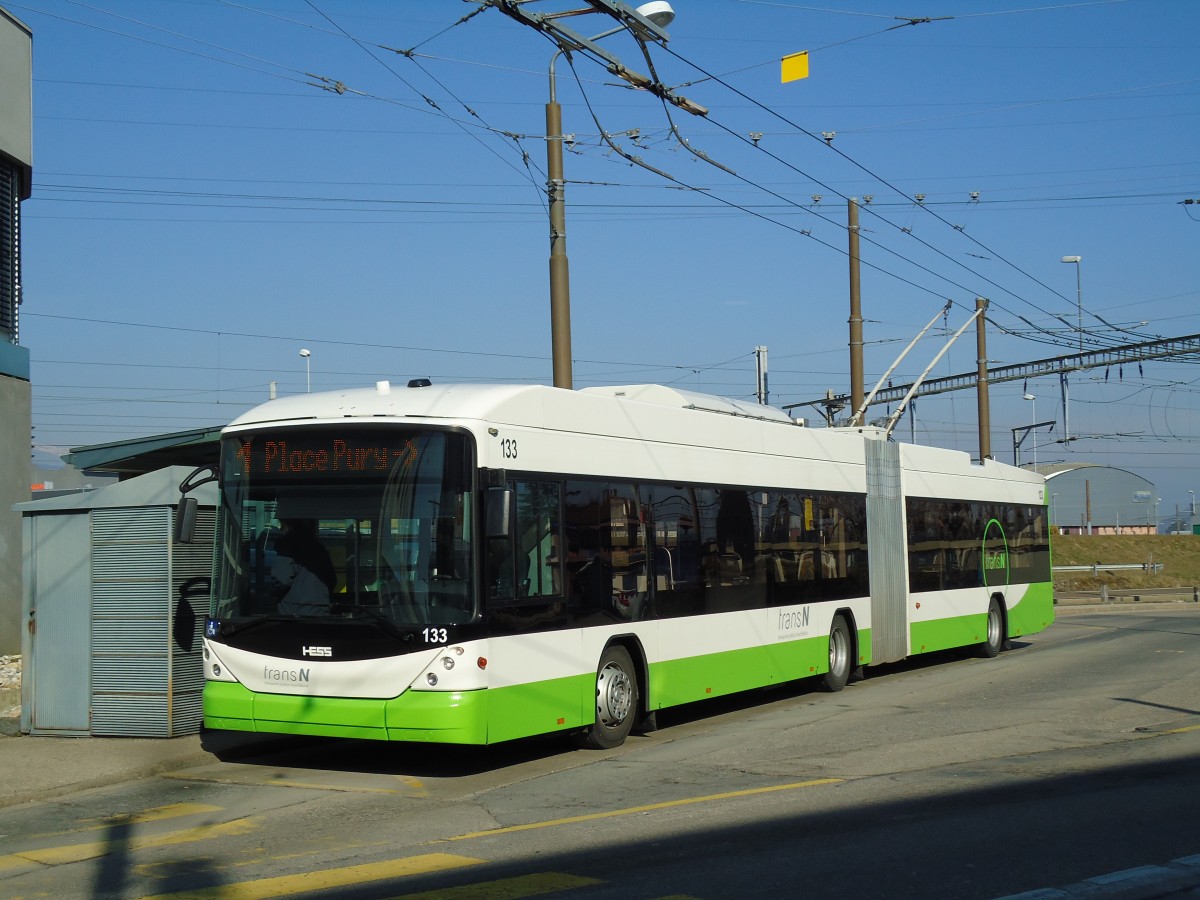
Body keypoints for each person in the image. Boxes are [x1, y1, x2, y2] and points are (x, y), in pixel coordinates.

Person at [271, 519, 336, 615]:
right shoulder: (319, 548)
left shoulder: (287, 548)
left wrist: (270, 593)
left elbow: (281, 580)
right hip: (321, 610)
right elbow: (332, 580)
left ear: (285, 526)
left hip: (294, 612)